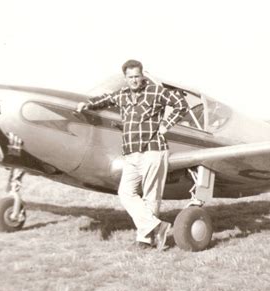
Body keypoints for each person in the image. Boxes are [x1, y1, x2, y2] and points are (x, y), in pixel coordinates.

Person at [76, 59, 189, 251]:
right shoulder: (123, 95)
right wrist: (86, 105)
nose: (134, 80)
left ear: (142, 75)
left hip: (153, 150)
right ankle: (156, 227)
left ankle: (145, 241)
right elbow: (105, 99)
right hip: (131, 153)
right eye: (130, 77)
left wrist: (165, 125)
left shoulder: (155, 91)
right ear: (125, 78)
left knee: (151, 196)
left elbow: (181, 104)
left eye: (137, 76)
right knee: (126, 193)